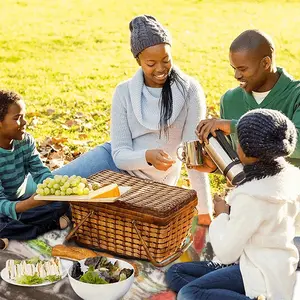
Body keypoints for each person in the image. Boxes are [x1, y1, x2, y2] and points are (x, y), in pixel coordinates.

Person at [50, 15, 213, 224]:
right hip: (112, 163)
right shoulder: (124, 92)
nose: (161, 69)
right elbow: (119, 155)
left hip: (148, 186)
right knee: (49, 189)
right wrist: (146, 156)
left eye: (166, 59)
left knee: (77, 212)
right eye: (151, 63)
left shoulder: (190, 90)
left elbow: (193, 157)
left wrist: (204, 210)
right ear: (138, 61)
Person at [166, 108, 300, 300]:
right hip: (273, 267)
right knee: (176, 273)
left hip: (259, 276)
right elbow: (266, 205)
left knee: (189, 293)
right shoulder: (291, 177)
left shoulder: (251, 196)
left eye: (238, 141)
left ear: (245, 150)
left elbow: (226, 252)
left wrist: (222, 215)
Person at [195, 29, 300, 172]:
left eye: (242, 69)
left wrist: (235, 127)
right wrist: (215, 167)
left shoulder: (296, 95)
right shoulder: (230, 100)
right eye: (234, 68)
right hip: (250, 190)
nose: (236, 75)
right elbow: (238, 162)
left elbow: (296, 143)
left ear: (265, 63)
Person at [0, 90, 70, 244]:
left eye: (24, 116)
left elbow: (40, 172)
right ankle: (47, 226)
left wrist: (54, 189)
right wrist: (29, 204)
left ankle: (14, 232)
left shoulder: (25, 141)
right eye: (17, 118)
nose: (25, 122)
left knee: (65, 203)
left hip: (22, 202)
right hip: (5, 208)